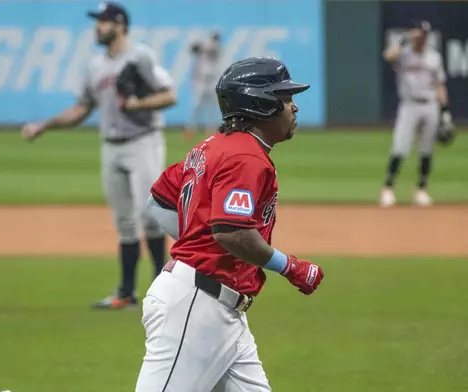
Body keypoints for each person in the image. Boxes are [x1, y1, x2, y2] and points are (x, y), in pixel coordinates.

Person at [135, 57, 325, 391]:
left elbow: (159, 201)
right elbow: (231, 232)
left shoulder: (212, 147)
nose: (293, 107)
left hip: (220, 310)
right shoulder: (245, 157)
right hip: (196, 309)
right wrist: (290, 267)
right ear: (262, 104)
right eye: (285, 99)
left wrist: (197, 244)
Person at [21, 2, 177, 309]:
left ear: (119, 25)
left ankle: (165, 292)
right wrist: (45, 125)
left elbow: (169, 95)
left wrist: (137, 105)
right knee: (124, 222)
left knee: (150, 216)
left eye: (103, 21)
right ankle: (126, 293)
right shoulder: (95, 66)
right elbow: (82, 108)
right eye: (97, 21)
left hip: (143, 142)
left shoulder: (141, 56)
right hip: (110, 145)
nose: (97, 27)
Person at [380, 19, 453, 207]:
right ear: (413, 34)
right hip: (409, 106)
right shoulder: (404, 54)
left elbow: (440, 85)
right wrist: (404, 40)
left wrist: (445, 112)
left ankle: (421, 189)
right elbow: (388, 56)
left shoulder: (434, 57)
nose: (422, 38)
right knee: (400, 147)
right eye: (419, 34)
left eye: (424, 35)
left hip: (430, 106)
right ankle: (388, 189)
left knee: (427, 149)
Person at [182, 31, 223, 141]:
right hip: (200, 81)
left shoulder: (216, 47)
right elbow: (193, 49)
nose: (215, 40)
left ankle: (210, 131)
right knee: (195, 106)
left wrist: (203, 45)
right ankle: (190, 129)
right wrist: (201, 45)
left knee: (212, 108)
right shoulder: (206, 45)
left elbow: (211, 49)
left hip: (211, 81)